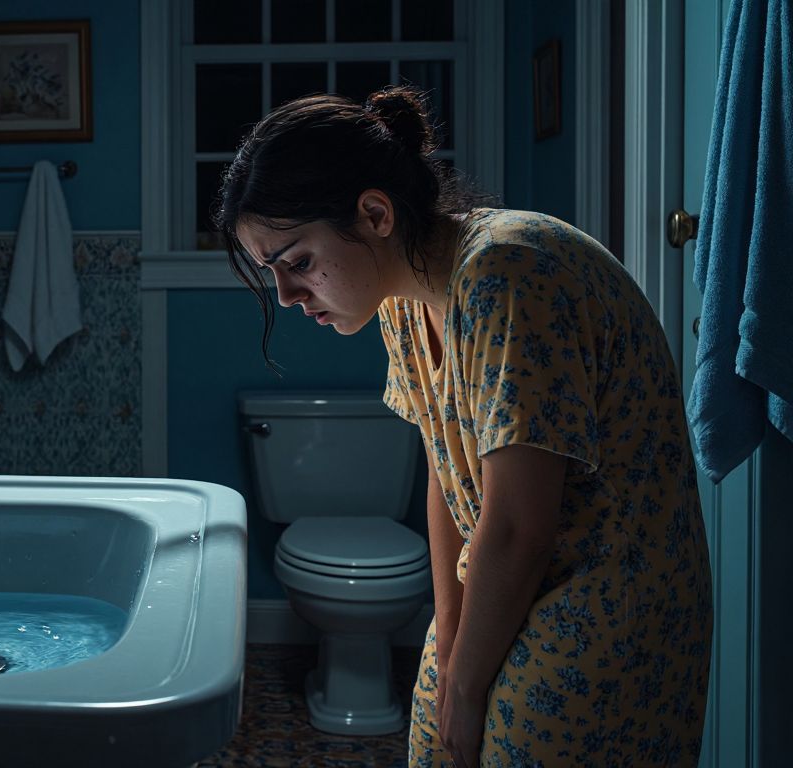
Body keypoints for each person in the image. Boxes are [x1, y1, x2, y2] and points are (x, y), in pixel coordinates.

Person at [213, 86, 713, 767]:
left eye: (298, 262)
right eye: (273, 273)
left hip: (604, 607)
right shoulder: (403, 301)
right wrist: (448, 651)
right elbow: (447, 483)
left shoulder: (508, 271)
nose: (290, 296)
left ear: (375, 213)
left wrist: (469, 685)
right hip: (506, 586)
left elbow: (520, 524)